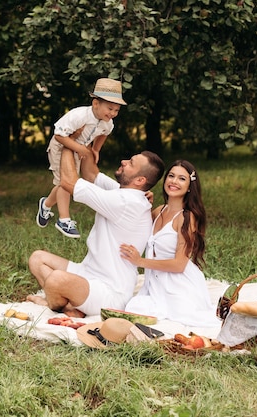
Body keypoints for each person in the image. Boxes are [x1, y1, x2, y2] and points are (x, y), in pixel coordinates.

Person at [27, 146, 165, 317]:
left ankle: (63, 305)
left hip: (109, 293)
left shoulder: (124, 202)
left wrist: (68, 142)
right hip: (87, 272)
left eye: (130, 163)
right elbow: (91, 174)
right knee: (37, 259)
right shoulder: (124, 192)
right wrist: (89, 148)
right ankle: (70, 305)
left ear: (139, 180)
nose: (124, 161)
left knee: (56, 279)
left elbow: (68, 181)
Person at [121, 160, 221, 327]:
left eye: (182, 178)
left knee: (180, 318)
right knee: (134, 309)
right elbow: (133, 221)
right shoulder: (158, 211)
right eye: (171, 176)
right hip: (154, 284)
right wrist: (142, 199)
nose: (174, 181)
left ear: (189, 187)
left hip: (178, 285)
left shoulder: (187, 218)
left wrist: (140, 261)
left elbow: (179, 265)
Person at [36, 78, 127, 238]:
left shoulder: (108, 123)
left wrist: (95, 149)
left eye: (116, 110)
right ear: (96, 104)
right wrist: (79, 148)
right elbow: (59, 136)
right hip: (61, 148)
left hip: (78, 151)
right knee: (66, 182)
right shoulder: (79, 115)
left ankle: (46, 204)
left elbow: (104, 134)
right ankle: (64, 219)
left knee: (66, 182)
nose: (113, 113)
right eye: (110, 108)